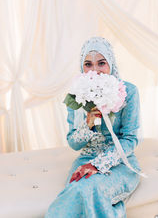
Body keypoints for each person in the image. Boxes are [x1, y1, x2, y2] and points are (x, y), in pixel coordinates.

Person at [45, 36, 142, 218]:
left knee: (89, 188)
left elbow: (130, 139)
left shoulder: (128, 92)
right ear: (82, 66)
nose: (95, 70)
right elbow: (73, 143)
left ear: (111, 63)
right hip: (85, 160)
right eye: (88, 64)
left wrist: (98, 164)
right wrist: (87, 125)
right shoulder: (77, 94)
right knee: (81, 188)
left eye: (101, 63)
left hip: (121, 162)